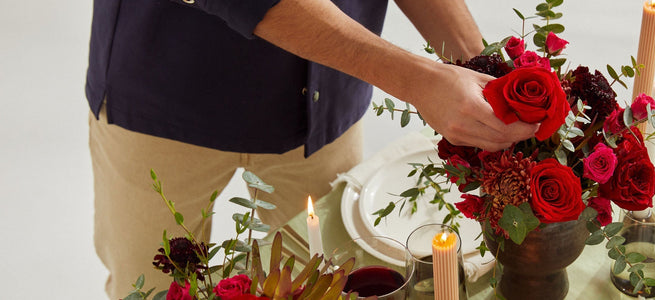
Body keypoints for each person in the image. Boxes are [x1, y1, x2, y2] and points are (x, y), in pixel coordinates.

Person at [86, 0, 539, 298]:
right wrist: (421, 81)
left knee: (330, 282)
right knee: (153, 291)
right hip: (164, 100)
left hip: (320, 105)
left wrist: (482, 68)